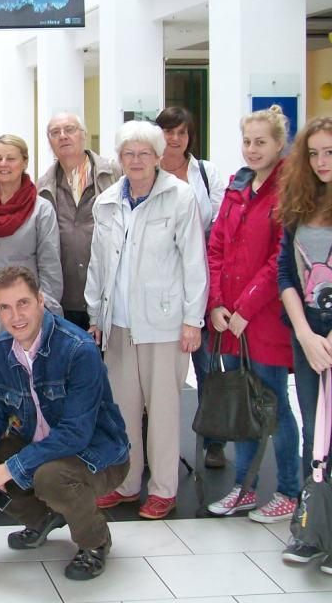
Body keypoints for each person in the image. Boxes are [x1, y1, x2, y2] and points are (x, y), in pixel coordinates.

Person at [0, 266, 130, 581]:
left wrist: (7, 470)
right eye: (5, 308)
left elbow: (75, 434)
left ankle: (95, 540)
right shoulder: (1, 350)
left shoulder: (78, 349)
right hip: (39, 448)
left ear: (40, 300)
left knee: (50, 477)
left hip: (98, 456)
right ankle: (44, 519)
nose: (15, 316)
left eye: (22, 303)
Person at [85, 120, 207, 520]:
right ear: (119, 159)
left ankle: (163, 489)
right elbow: (98, 266)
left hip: (164, 325)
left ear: (157, 157)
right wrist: (96, 315)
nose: (135, 161)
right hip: (117, 324)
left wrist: (193, 320)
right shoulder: (106, 202)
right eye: (128, 154)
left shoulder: (180, 197)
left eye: (144, 154)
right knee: (122, 411)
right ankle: (125, 482)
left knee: (163, 410)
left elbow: (193, 261)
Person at [207, 106, 298, 522]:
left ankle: (289, 490)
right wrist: (218, 305)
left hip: (265, 320)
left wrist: (244, 307)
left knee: (273, 405)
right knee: (242, 406)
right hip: (230, 322)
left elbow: (280, 258)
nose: (253, 149)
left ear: (280, 144)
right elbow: (218, 247)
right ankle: (244, 488)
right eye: (247, 141)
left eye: (261, 141)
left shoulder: (290, 191)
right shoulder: (236, 186)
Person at [0, 134, 62, 425]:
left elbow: (50, 268)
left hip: (23, 316)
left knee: (23, 399)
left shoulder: (41, 210)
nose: (3, 164)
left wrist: (47, 318)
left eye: (10, 158)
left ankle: (21, 465)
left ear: (25, 163)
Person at [155, 106, 228, 469]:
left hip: (199, 281)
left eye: (182, 132)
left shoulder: (205, 172)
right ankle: (154, 441)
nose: (175, 139)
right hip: (159, 283)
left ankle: (213, 439)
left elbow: (217, 223)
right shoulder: (146, 172)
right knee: (160, 370)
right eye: (168, 131)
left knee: (206, 366)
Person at [277, 115, 332, 571]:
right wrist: (304, 333)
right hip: (307, 333)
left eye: (330, 152)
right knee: (315, 433)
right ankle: (311, 530)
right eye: (313, 153)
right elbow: (285, 274)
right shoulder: (299, 202)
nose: (321, 161)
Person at [37, 112, 119, 330]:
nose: (63, 136)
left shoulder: (114, 175)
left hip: (110, 299)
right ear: (50, 142)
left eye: (70, 130)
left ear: (84, 135)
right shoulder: (43, 188)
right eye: (55, 133)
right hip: (64, 302)